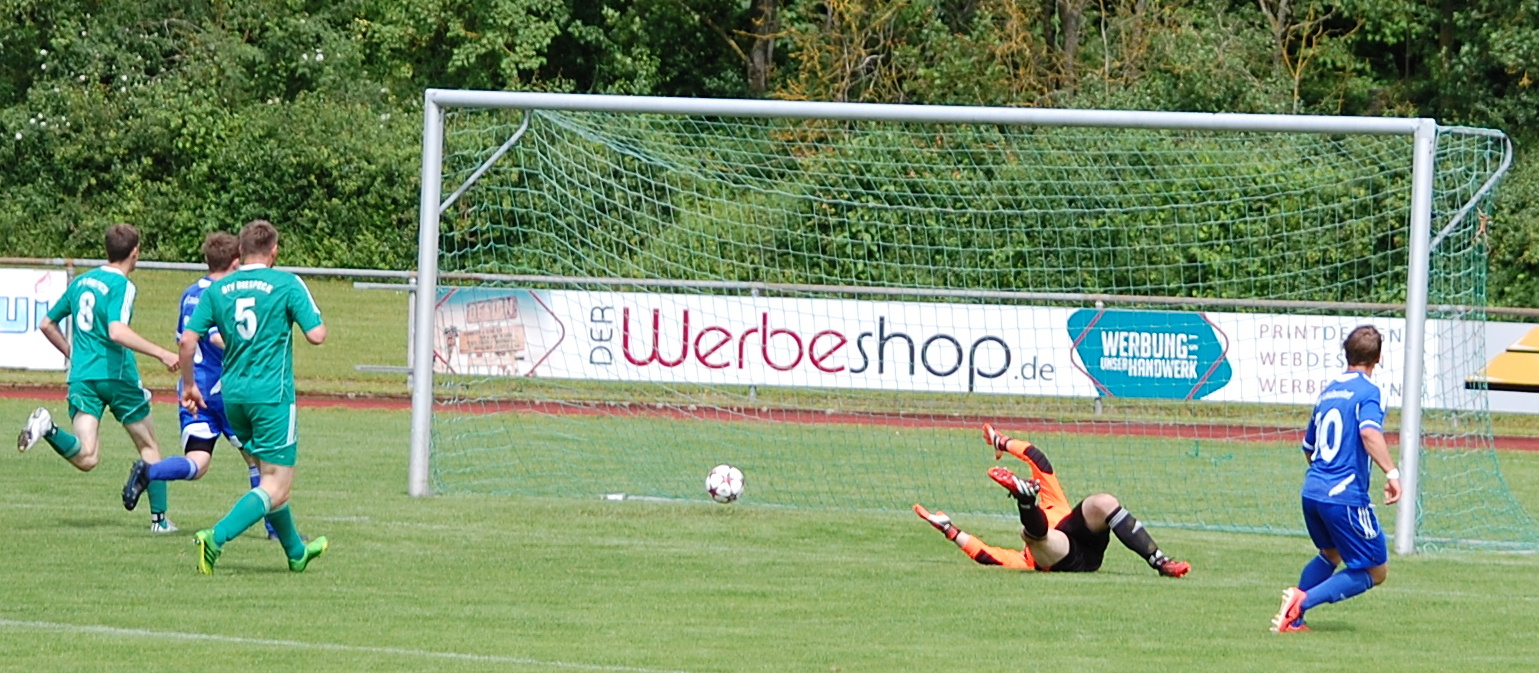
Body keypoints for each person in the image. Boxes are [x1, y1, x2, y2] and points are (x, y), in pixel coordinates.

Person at [179, 220, 328, 574]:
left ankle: (296, 552)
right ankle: (215, 538)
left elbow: (187, 341)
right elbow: (317, 335)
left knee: (267, 477)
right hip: (271, 396)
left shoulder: (218, 289)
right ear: (274, 251)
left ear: (241, 251)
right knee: (276, 484)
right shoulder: (287, 283)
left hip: (233, 395)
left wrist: (189, 386)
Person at [16, 223, 181, 533]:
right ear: (135, 252)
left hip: (82, 377)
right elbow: (117, 331)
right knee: (149, 447)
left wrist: (73, 354)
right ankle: (159, 521)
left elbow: (47, 323)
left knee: (87, 456)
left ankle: (48, 428)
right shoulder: (123, 285)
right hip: (117, 376)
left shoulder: (82, 281)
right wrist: (161, 353)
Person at [121, 232, 278, 540]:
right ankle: (275, 531)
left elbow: (185, 340)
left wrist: (188, 383)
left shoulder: (190, 293)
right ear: (236, 262)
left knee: (198, 462)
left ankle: (149, 471)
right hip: (225, 390)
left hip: (194, 389)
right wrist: (250, 349)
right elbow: (217, 337)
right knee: (260, 462)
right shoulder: (225, 294)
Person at [916, 423, 1190, 578]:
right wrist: (950, 530)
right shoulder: (1027, 558)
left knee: (1102, 502)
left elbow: (1037, 458)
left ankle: (1160, 562)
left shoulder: (1054, 501)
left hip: (1083, 540)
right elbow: (988, 556)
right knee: (1033, 536)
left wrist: (1002, 442)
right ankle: (1025, 501)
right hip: (1065, 556)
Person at [1270, 325, 1401, 633]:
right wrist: (1392, 473)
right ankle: (1300, 603)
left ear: (1346, 354)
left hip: (1312, 490)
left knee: (1331, 554)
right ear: (1378, 358)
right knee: (1376, 570)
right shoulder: (1370, 391)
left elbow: (1309, 446)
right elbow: (1369, 432)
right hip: (1344, 496)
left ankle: (1293, 621)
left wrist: (1323, 478)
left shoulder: (1328, 392)